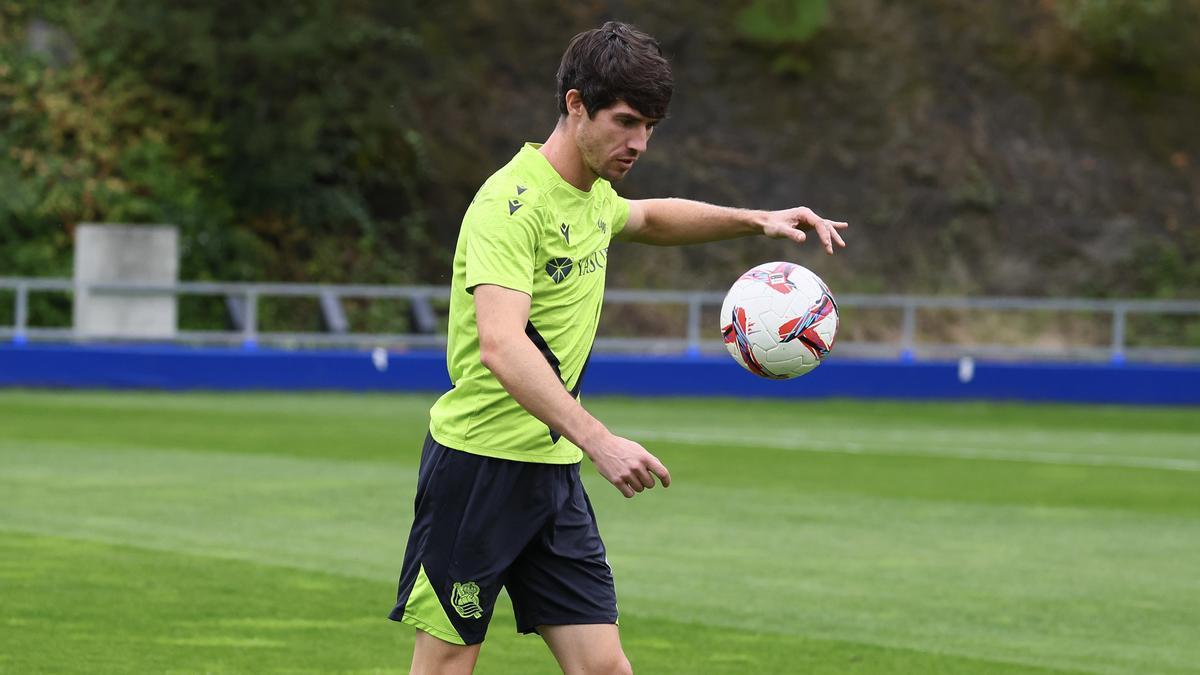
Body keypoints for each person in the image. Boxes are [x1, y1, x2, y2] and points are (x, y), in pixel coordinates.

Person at [389, 20, 848, 675]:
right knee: (445, 664)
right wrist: (599, 440)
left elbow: (651, 216)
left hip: (551, 477)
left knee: (605, 667)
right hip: (477, 468)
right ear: (576, 104)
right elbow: (500, 344)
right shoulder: (510, 206)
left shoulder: (592, 196)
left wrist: (758, 221)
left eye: (651, 127)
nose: (639, 143)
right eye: (627, 122)